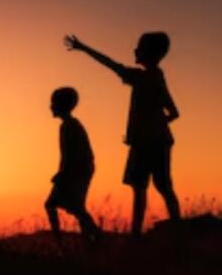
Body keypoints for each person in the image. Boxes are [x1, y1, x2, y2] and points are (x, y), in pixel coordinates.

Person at [65, 33, 180, 235]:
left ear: (149, 52)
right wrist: (154, 125)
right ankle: (177, 229)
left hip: (145, 142)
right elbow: (174, 113)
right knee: (163, 186)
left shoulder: (141, 77)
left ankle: (137, 233)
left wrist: (84, 48)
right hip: (159, 140)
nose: (134, 51)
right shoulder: (158, 76)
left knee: (140, 188)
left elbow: (110, 64)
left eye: (139, 47)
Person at [45, 87, 101, 243]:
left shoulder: (69, 126)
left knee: (53, 205)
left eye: (53, 103)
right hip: (79, 170)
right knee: (76, 208)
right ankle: (92, 240)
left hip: (76, 171)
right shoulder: (72, 124)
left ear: (61, 105)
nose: (51, 107)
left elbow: (70, 154)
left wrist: (63, 173)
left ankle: (61, 245)